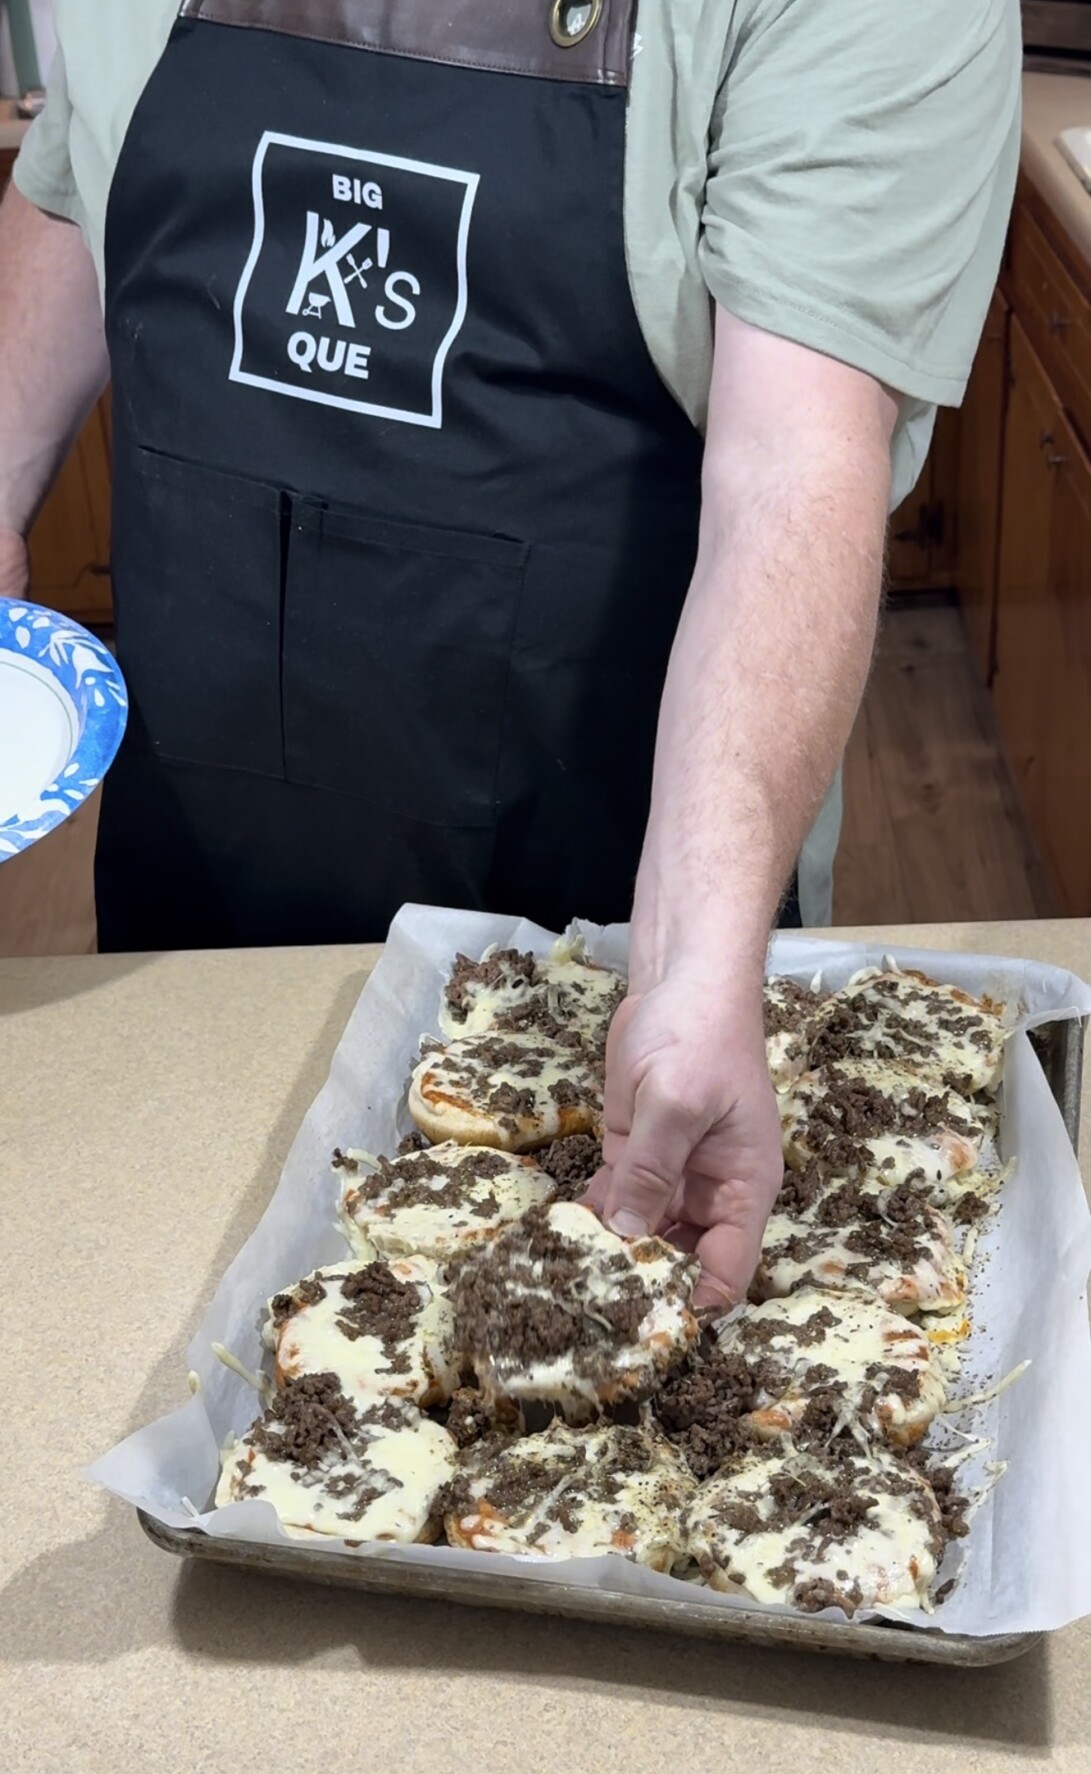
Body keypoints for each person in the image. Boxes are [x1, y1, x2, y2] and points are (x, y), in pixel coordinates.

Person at [0, 0, 1021, 1307]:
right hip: (187, 903)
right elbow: (80, 176)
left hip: (595, 967)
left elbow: (792, 472)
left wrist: (693, 974)